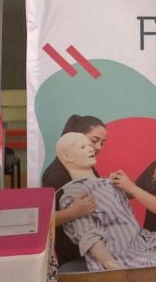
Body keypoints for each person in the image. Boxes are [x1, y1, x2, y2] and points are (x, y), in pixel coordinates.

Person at [56, 133, 156, 271]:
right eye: (83, 147)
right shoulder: (75, 193)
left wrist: (125, 186)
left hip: (145, 239)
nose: (91, 149)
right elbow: (89, 236)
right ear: (67, 157)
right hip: (124, 255)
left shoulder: (108, 183)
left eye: (89, 145)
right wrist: (113, 265)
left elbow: (136, 204)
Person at [41, 114, 108, 271]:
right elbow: (43, 220)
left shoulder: (88, 169)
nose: (98, 147)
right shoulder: (55, 175)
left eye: (102, 143)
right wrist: (72, 213)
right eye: (94, 140)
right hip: (75, 255)